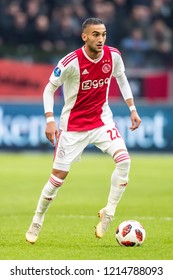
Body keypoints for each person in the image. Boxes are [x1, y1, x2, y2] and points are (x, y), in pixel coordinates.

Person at [26, 17, 141, 244]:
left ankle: (108, 212)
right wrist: (50, 120)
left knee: (125, 160)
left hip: (101, 121)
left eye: (104, 34)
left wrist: (133, 109)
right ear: (84, 36)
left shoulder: (113, 55)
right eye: (96, 35)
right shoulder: (70, 62)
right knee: (57, 179)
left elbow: (122, 78)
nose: (101, 39)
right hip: (73, 127)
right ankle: (37, 220)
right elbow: (48, 90)